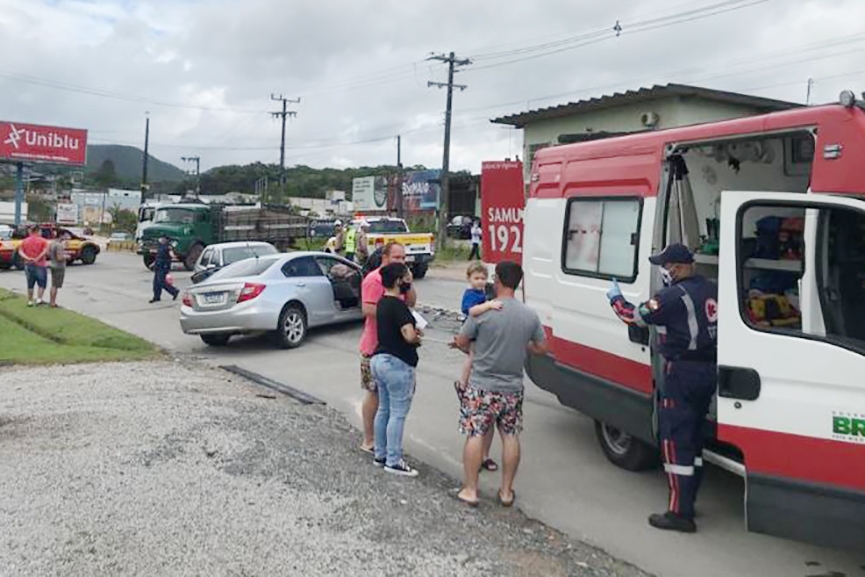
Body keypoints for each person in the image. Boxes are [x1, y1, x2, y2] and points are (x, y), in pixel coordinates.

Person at [606, 243, 718, 533]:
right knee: (694, 439)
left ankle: (680, 514)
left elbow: (634, 317)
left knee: (675, 439)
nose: (663, 272)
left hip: (682, 371)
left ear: (677, 268)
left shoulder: (671, 297)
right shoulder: (711, 287)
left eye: (665, 266)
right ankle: (688, 500)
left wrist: (616, 299)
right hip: (708, 370)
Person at [451, 261, 548, 507]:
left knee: (475, 434)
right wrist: (521, 343)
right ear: (518, 282)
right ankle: (506, 491)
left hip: (481, 385)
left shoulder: (484, 312)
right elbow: (541, 348)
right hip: (512, 388)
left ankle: (471, 490)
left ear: (498, 280)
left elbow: (462, 341)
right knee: (511, 436)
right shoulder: (529, 315)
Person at [358, 242, 417, 454]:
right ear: (385, 257)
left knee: (389, 402)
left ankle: (383, 445)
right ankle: (369, 439)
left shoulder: (400, 279)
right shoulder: (375, 279)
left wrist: (408, 284)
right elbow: (367, 308)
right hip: (375, 345)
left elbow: (411, 303)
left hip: (397, 346)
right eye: (397, 258)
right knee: (374, 395)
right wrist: (393, 315)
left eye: (403, 258)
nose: (401, 262)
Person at [371, 262, 423, 476]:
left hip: (379, 360)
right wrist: (417, 337)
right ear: (397, 281)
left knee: (384, 409)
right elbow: (409, 336)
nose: (409, 281)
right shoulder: (399, 306)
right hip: (398, 363)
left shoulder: (382, 302)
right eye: (406, 277)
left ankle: (380, 453)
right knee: (398, 414)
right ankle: (393, 460)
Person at [456, 262, 504, 472]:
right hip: (472, 332)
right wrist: (489, 305)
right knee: (471, 356)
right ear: (469, 279)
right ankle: (463, 382)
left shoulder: (484, 292)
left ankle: (482, 457)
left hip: (483, 341)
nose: (480, 282)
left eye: (483, 278)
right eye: (476, 278)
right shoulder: (471, 295)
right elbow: (472, 311)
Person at [19, 226, 50, 307]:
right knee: (42, 283)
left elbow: (20, 251)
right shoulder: (43, 241)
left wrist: (27, 258)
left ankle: (30, 301)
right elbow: (45, 251)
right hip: (40, 264)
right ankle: (39, 299)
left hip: (28, 264)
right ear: (38, 231)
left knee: (30, 283)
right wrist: (37, 258)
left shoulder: (25, 241)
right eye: (40, 231)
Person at [150, 236, 179, 303]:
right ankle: (156, 297)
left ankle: (174, 291)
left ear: (166, 240)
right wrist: (153, 263)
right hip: (158, 266)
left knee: (161, 282)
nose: (161, 240)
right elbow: (158, 256)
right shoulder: (160, 246)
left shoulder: (168, 247)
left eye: (162, 239)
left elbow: (171, 253)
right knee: (156, 283)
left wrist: (173, 256)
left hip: (164, 266)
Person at [48, 230, 70, 308]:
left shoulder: (52, 243)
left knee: (53, 284)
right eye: (65, 235)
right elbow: (59, 258)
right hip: (58, 267)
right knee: (55, 285)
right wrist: (66, 256)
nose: (66, 237)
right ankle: (53, 302)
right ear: (61, 235)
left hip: (53, 264)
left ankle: (51, 301)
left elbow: (48, 253)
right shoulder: (59, 245)